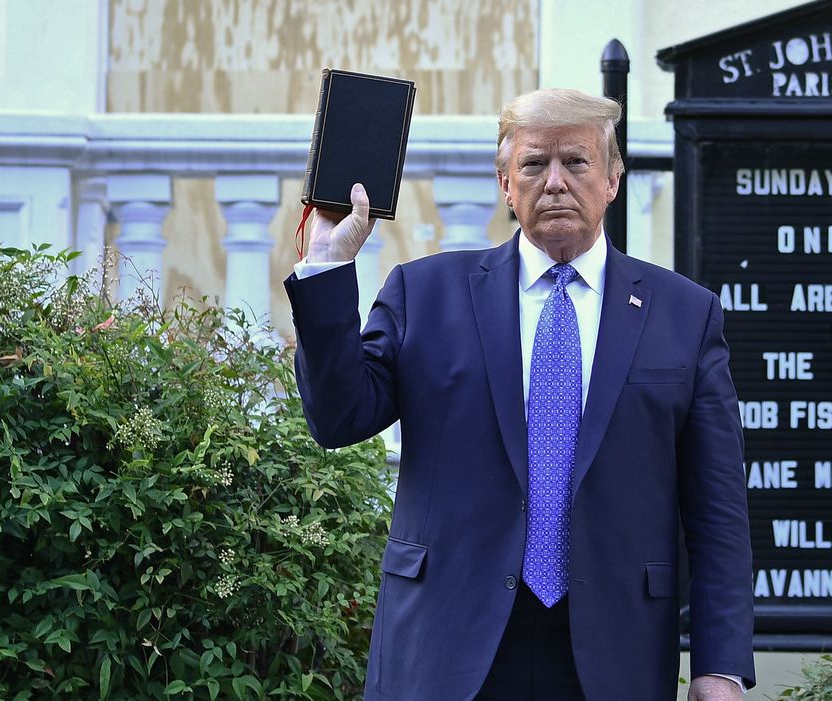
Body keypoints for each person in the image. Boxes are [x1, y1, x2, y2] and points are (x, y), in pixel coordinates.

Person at [284, 87, 754, 701]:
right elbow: (338, 417)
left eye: (576, 162)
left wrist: (720, 667)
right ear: (506, 184)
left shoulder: (684, 315)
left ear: (612, 180)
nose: (555, 181)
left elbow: (718, 510)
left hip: (614, 653)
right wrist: (327, 264)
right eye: (534, 164)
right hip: (445, 648)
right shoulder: (425, 294)